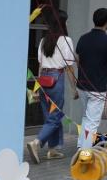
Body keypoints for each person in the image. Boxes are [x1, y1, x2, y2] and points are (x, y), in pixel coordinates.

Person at [27, 9, 78, 164]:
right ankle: (36, 143)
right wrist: (74, 88)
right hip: (57, 78)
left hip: (43, 79)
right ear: (62, 23)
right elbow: (69, 67)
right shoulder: (66, 40)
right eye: (66, 20)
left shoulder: (44, 40)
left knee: (49, 116)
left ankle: (53, 149)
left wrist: (37, 87)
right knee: (55, 116)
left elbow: (40, 65)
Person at [75, 8, 107, 148]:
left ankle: (81, 146)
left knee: (86, 117)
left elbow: (77, 60)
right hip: (97, 89)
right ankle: (85, 153)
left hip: (82, 86)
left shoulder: (83, 38)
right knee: (92, 121)